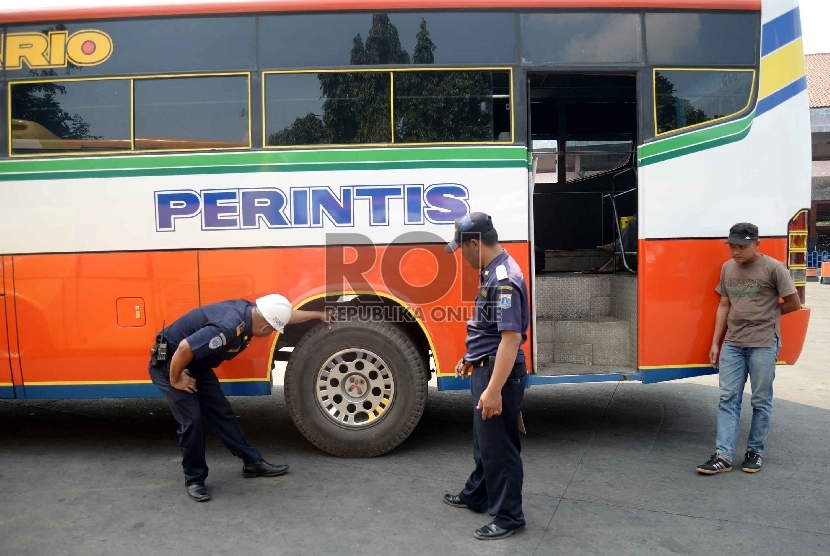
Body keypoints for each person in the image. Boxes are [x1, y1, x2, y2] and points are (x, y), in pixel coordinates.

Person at [149, 294, 332, 501]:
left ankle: (252, 463)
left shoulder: (254, 311)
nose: (272, 331)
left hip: (195, 364)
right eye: (273, 329)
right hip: (172, 364)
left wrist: (318, 314)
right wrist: (175, 380)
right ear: (265, 328)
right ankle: (194, 479)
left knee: (221, 412)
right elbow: (184, 348)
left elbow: (285, 315)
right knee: (191, 419)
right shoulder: (227, 328)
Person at [442, 212, 530, 540]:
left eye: (462, 248)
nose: (460, 255)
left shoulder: (504, 279)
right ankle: (477, 493)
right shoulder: (491, 271)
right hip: (486, 366)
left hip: (498, 374)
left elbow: (510, 339)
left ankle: (508, 517)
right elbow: (490, 329)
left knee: (500, 449)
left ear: (475, 243)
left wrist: (494, 390)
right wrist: (471, 357)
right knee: (484, 441)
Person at [696, 223, 801, 475]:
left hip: (763, 343)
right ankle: (723, 456)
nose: (736, 251)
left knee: (760, 399)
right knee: (727, 398)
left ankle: (755, 451)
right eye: (732, 246)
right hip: (733, 343)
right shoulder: (727, 268)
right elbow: (724, 305)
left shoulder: (774, 268)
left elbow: (794, 303)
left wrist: (768, 315)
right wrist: (715, 342)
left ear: (757, 243)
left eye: (742, 246)